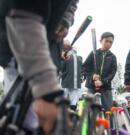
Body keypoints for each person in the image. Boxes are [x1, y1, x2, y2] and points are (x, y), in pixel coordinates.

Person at [0, 0, 79, 135]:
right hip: (18, 46)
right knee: (27, 122)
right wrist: (47, 93)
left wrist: (64, 19)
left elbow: (71, 3)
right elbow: (24, 14)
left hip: (42, 45)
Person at [82, 32, 117, 111]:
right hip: (91, 86)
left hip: (106, 87)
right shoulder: (94, 53)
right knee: (88, 110)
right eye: (106, 41)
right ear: (101, 41)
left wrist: (103, 82)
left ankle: (109, 122)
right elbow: (84, 68)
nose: (108, 43)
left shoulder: (112, 57)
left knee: (109, 110)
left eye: (111, 42)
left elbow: (112, 73)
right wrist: (92, 76)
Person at [61, 40, 82, 110]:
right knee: (73, 103)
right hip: (77, 85)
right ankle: (73, 118)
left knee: (63, 103)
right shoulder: (80, 59)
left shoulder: (66, 57)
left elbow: (61, 69)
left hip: (66, 83)